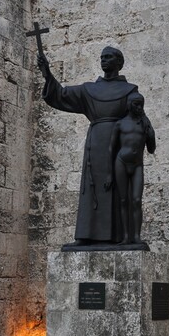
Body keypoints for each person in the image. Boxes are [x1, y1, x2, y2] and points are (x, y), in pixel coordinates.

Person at [37, 46, 141, 247]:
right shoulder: (88, 90)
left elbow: (138, 117)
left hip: (119, 145)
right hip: (95, 144)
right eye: (102, 57)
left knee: (118, 191)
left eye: (108, 57)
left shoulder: (130, 91)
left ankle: (121, 237)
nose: (104, 60)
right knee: (91, 189)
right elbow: (61, 94)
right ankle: (85, 235)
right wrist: (47, 73)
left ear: (119, 63)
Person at [108, 93, 155, 245]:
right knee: (123, 200)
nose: (139, 107)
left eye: (141, 104)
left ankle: (136, 236)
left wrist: (150, 131)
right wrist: (109, 174)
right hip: (121, 162)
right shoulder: (120, 124)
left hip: (137, 165)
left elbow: (151, 149)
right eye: (136, 104)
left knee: (136, 200)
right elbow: (111, 148)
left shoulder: (144, 124)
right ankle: (125, 236)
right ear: (129, 105)